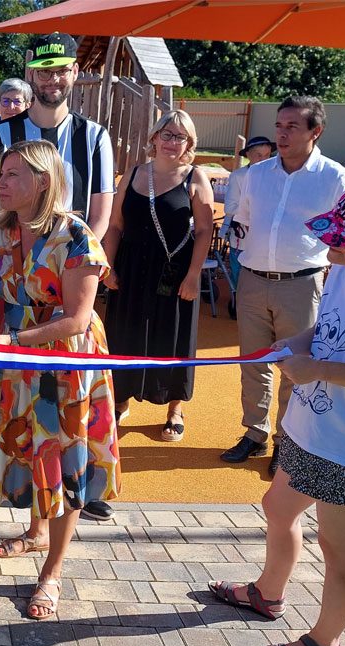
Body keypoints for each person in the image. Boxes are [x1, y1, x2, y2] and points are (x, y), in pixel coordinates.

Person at [209, 181, 345, 646]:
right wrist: (288, 345)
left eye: (343, 235)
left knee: (340, 552)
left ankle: (325, 643)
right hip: (310, 426)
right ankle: (268, 593)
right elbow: (324, 330)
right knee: (278, 508)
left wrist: (317, 369)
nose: (329, 242)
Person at [0, 140, 119, 619]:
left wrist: (15, 338)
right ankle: (37, 533)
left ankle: (53, 572)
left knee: (66, 459)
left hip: (66, 364)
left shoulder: (75, 235)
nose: (1, 181)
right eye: (1, 172)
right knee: (33, 448)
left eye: (14, 173)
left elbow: (79, 319)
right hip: (19, 360)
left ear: (43, 181)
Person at [0, 32, 116, 523]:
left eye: (62, 70)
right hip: (18, 307)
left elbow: (96, 221)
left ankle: (55, 547)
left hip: (60, 302)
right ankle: (36, 530)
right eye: (44, 70)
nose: (53, 79)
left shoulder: (95, 136)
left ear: (74, 74)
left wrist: (59, 264)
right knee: (27, 435)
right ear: (30, 73)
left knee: (62, 443)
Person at [221, 96, 345, 475]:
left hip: (302, 284)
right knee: (253, 362)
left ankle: (287, 441)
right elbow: (244, 221)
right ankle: (254, 432)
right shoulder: (255, 175)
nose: (282, 133)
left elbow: (344, 238)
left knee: (293, 367)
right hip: (252, 281)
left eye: (292, 127)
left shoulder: (338, 179)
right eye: (279, 125)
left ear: (317, 132)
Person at [103, 110, 214, 441]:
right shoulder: (134, 174)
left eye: (180, 137)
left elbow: (206, 230)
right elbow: (115, 225)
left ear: (189, 143)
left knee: (173, 336)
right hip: (131, 267)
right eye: (167, 134)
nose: (172, 142)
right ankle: (121, 399)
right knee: (123, 333)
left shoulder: (195, 178)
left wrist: (194, 274)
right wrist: (108, 266)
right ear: (153, 137)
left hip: (174, 270)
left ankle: (175, 408)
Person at [219, 135, 276, 311]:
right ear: (249, 155)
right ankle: (238, 297)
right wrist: (257, 215)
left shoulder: (276, 176)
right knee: (240, 267)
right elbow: (230, 207)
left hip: (267, 234)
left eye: (267, 155)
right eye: (258, 154)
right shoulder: (238, 176)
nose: (263, 159)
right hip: (242, 233)